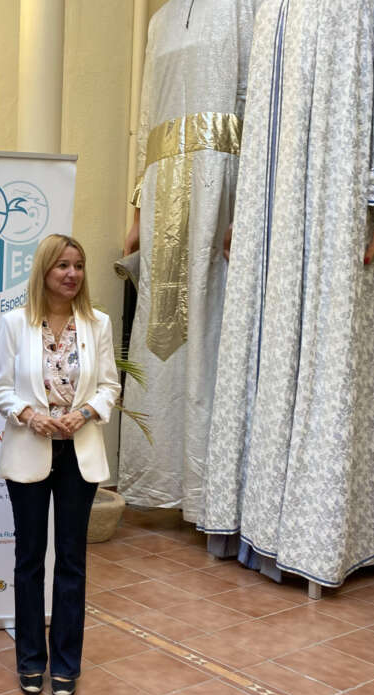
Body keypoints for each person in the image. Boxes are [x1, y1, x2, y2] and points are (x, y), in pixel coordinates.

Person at [201, 0, 374, 588]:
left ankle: (318, 535)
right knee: (266, 339)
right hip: (274, 194)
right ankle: (258, 519)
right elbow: (265, 99)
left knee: (331, 342)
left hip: (340, 173)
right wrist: (250, 206)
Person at [118, 0, 257, 523]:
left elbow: (259, 107)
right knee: (163, 335)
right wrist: (138, 209)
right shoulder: (159, 20)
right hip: (163, 189)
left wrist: (249, 205)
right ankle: (161, 479)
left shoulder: (248, 7)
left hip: (222, 181)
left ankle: (212, 496)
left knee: (212, 329)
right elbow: (146, 118)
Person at [0, 234, 121, 695]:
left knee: (71, 561)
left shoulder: (98, 323)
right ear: (44, 271)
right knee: (29, 561)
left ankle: (66, 663)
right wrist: (30, 415)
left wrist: (84, 413)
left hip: (78, 456)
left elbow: (109, 386)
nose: (72, 274)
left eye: (78, 265)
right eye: (62, 265)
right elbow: (1, 387)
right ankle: (30, 659)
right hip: (30, 449)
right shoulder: (15, 323)